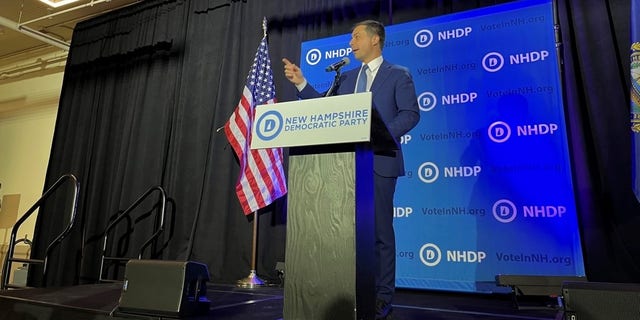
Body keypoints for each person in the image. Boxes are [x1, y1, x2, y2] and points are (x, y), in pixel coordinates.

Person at [283, 20, 420, 320]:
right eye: (350, 37)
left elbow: (410, 114)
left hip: (379, 161)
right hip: (343, 166)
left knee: (381, 233)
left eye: (356, 36)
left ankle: (382, 297)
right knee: (344, 233)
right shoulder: (345, 77)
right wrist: (301, 83)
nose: (351, 42)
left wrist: (379, 132)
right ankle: (348, 292)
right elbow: (324, 108)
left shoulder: (398, 75)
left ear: (375, 39)